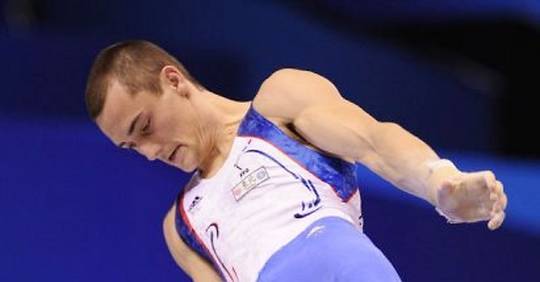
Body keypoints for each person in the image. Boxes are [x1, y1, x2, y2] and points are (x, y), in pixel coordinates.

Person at [85, 40, 508, 282]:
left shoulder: (278, 105)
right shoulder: (182, 227)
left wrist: (439, 183)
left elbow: (375, 142)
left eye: (145, 127)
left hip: (344, 265)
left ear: (173, 81)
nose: (151, 151)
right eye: (132, 147)